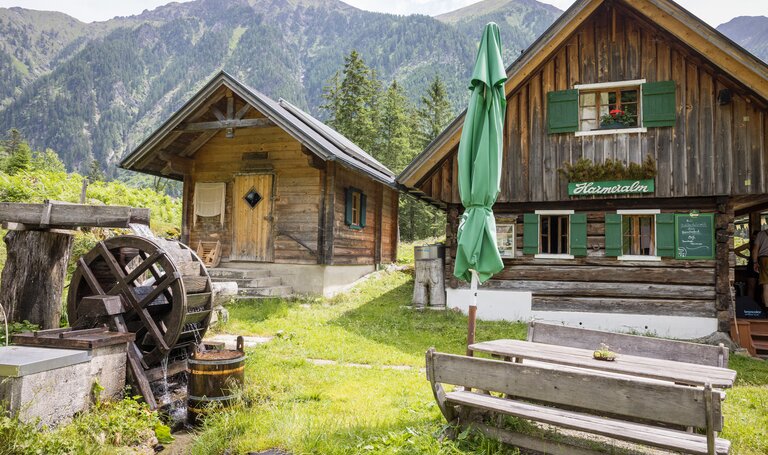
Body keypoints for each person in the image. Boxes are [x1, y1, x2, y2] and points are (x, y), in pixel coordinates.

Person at [736, 230, 759, 300]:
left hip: (758, 266)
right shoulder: (750, 244)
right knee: (751, 287)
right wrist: (746, 257)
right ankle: (751, 305)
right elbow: (736, 250)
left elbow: (736, 250)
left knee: (757, 287)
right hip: (752, 266)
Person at [751, 228, 768, 308]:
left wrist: (755, 262)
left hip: (764, 260)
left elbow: (755, 250)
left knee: (766, 286)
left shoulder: (761, 234)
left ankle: (767, 309)